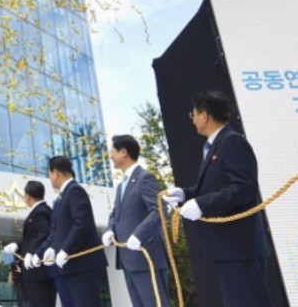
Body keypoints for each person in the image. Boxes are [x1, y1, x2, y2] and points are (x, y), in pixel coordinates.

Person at [164, 91, 272, 307]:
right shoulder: (214, 146)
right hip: (226, 248)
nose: (192, 120)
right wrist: (185, 194)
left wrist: (202, 205)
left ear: (204, 115)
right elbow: (212, 187)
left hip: (239, 248)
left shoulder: (232, 142)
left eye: (193, 115)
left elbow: (244, 189)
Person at [104, 134, 170, 307]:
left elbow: (160, 210)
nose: (110, 156)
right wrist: (110, 229)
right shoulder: (121, 185)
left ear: (123, 152)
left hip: (146, 257)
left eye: (113, 151)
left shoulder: (145, 178)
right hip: (129, 260)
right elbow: (115, 214)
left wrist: (139, 235)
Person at [33, 156, 107, 306]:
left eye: (49, 173)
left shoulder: (75, 190)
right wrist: (46, 250)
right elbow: (55, 232)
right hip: (68, 267)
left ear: (56, 173)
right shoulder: (60, 198)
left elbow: (82, 223)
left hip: (83, 266)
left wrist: (65, 250)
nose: (49, 178)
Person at [3, 181, 57, 307]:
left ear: (27, 196)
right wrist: (17, 245)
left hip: (39, 274)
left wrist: (32, 252)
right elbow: (32, 238)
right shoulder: (41, 210)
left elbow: (44, 232)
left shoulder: (41, 211)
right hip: (34, 274)